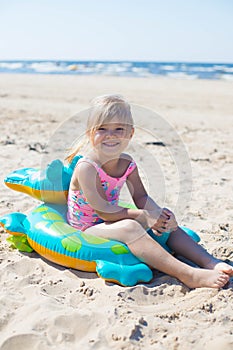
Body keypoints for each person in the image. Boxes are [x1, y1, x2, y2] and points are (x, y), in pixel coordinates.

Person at [66, 94, 232, 289]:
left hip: (111, 218)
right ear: (89, 133)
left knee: (166, 222)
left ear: (130, 133)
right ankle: (188, 274)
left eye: (119, 128)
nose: (111, 134)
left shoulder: (127, 163)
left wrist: (157, 214)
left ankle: (210, 262)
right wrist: (144, 217)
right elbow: (103, 211)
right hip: (88, 226)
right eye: (102, 129)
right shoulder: (87, 167)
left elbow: (141, 197)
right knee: (131, 228)